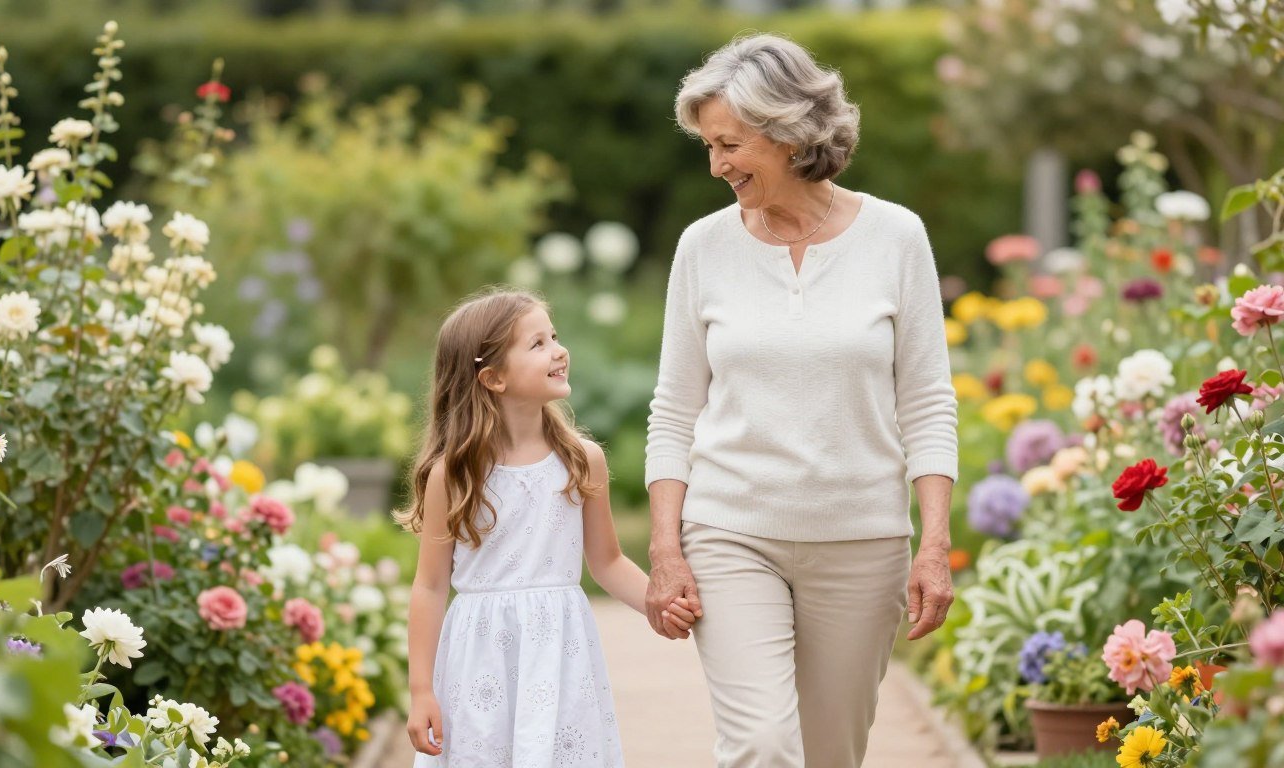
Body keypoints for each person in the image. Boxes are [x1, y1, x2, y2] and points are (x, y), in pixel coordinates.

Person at [643, 34, 960, 768]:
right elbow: (673, 410)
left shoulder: (895, 237)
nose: (717, 164)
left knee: (828, 754)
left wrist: (934, 543)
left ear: (790, 133)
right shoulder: (703, 247)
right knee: (760, 744)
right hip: (731, 530)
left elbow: (927, 402)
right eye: (708, 146)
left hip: (861, 540)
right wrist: (666, 549)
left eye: (730, 144)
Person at [399, 288, 699, 766]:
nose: (560, 350)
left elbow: (607, 562)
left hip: (560, 651)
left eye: (554, 337)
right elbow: (430, 586)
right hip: (479, 658)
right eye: (537, 344)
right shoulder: (453, 475)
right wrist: (420, 691)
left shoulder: (582, 461)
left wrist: (658, 606)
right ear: (492, 378)